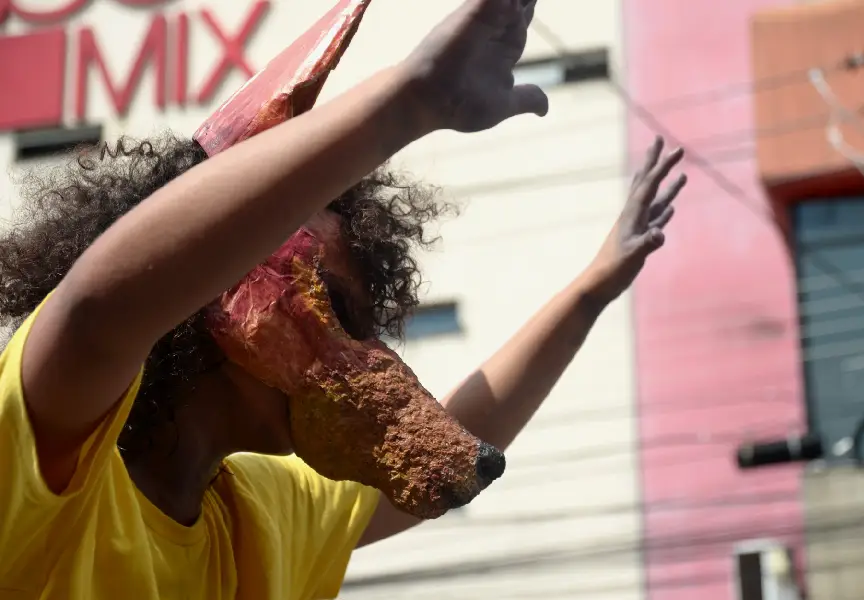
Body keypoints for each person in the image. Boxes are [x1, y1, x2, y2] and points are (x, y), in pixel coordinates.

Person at [0, 0, 687, 598]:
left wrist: (591, 292)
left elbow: (453, 431)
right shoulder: (48, 466)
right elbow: (98, 312)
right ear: (220, 275)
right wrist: (409, 103)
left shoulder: (262, 517)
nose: (365, 360)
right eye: (335, 306)